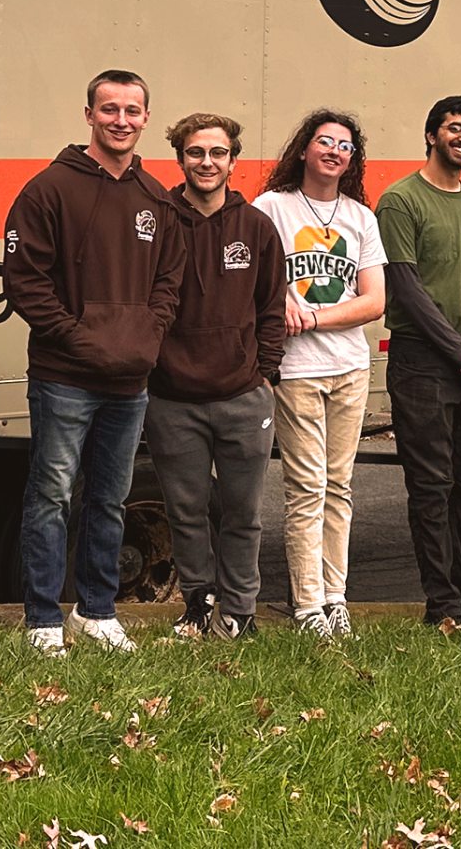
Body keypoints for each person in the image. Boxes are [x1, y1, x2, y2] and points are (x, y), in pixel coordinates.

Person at [5, 69, 185, 655]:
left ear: (146, 120)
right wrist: (77, 339)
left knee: (110, 498)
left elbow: (169, 281)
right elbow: (25, 282)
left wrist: (147, 336)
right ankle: (41, 619)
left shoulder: (157, 199)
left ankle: (97, 611)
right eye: (110, 109)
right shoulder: (48, 190)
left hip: (130, 381)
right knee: (52, 495)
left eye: (133, 111)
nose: (121, 121)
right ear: (88, 115)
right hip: (64, 377)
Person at [145, 113, 285, 640]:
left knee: (242, 514)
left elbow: (273, 307)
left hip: (243, 396)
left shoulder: (255, 228)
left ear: (232, 159)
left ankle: (241, 612)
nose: (206, 162)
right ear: (180, 158)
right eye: (195, 153)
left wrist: (266, 373)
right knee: (185, 511)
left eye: (217, 153)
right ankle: (198, 605)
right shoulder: (159, 220)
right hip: (172, 398)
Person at [253, 110, 385, 638]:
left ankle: (337, 599)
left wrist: (309, 317)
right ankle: (307, 605)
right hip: (298, 371)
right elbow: (259, 280)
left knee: (341, 487)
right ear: (304, 149)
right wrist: (283, 300)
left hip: (350, 367)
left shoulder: (360, 218)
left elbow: (374, 301)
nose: (334, 151)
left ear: (353, 159)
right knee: (306, 487)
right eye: (324, 142)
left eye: (345, 146)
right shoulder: (272, 208)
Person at [376, 95, 461, 628]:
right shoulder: (400, 201)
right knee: (430, 488)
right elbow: (406, 290)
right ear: (432, 134)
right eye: (455, 129)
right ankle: (443, 605)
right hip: (424, 363)